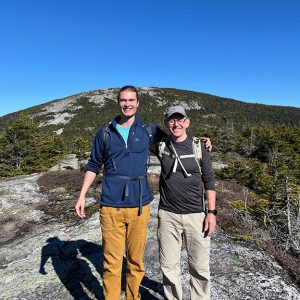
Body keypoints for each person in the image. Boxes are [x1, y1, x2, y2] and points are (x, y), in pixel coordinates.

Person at [75, 86, 212, 300]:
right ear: (118, 103)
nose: (127, 104)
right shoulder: (104, 132)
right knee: (111, 263)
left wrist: (201, 141)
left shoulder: (148, 131)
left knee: (136, 262)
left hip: (140, 206)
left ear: (138, 104)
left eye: (131, 100)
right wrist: (82, 195)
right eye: (123, 100)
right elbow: (93, 165)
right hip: (110, 205)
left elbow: (177, 138)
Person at [153, 106, 216, 300]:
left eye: (180, 120)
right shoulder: (160, 145)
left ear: (187, 122)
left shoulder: (199, 147)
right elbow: (134, 132)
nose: (176, 124)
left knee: (199, 267)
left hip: (196, 215)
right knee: (169, 266)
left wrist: (212, 213)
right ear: (167, 123)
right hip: (168, 215)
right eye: (172, 120)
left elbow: (209, 181)